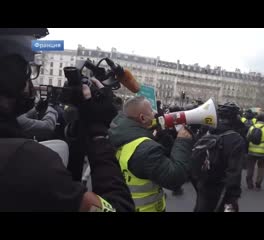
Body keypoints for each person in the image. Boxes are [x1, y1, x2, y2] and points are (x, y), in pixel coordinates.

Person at [0, 28, 135, 212]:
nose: (31, 84)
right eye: (28, 70)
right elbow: (119, 208)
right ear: (9, 77)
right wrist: (98, 133)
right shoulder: (28, 161)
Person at [108, 96, 193, 212]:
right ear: (142, 118)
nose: (155, 113)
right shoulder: (146, 149)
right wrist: (183, 141)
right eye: (152, 110)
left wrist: (162, 136)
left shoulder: (120, 133)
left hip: (125, 205)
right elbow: (175, 178)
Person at [193, 102, 246, 212]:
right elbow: (234, 171)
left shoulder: (207, 131)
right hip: (222, 189)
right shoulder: (236, 139)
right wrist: (233, 197)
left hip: (203, 183)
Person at [246, 113, 264, 190]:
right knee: (262, 168)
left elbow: (247, 138)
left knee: (250, 167)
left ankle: (249, 182)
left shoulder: (252, 127)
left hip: (251, 151)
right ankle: (258, 182)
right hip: (263, 153)